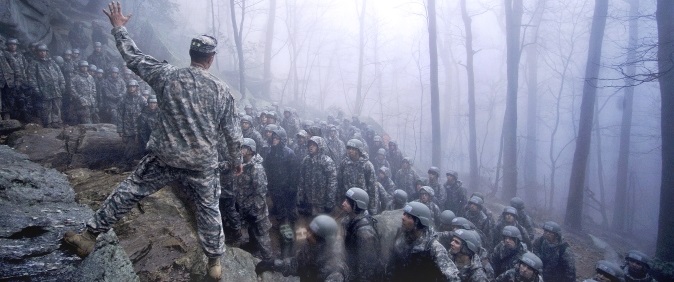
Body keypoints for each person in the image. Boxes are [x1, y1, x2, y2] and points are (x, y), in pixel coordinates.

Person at [62, 3, 243, 280]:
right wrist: (236, 161)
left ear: (192, 54)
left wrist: (119, 28)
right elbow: (232, 134)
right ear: (210, 59)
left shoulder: (167, 75)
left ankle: (88, 237)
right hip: (201, 163)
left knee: (130, 189)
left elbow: (133, 58)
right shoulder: (221, 91)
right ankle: (215, 264)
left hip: (165, 157)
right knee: (209, 209)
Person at [255, 215, 348, 281]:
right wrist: (274, 264)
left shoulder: (335, 268)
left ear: (321, 240)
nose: (307, 235)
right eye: (309, 231)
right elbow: (297, 264)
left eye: (312, 234)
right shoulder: (311, 246)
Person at [386, 202, 460, 281]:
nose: (403, 218)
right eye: (404, 214)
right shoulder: (400, 239)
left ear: (419, 223)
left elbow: (453, 277)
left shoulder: (434, 247)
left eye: (409, 216)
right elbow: (391, 268)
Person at [231, 138, 273, 261]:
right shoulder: (243, 165)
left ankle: (268, 258)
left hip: (256, 209)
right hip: (245, 206)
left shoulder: (256, 169)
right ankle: (253, 247)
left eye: (243, 148)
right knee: (250, 229)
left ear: (250, 150)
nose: (241, 150)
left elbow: (260, 192)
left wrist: (256, 211)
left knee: (261, 233)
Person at [340, 187, 382, 281]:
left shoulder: (364, 233)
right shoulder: (349, 220)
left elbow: (367, 268)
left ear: (356, 205)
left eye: (347, 201)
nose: (343, 203)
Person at [297, 136, 338, 216]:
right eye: (309, 145)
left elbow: (332, 182)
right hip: (308, 200)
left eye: (314, 145)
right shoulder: (306, 160)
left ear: (320, 146)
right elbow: (301, 179)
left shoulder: (327, 161)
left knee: (321, 224)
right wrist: (300, 196)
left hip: (322, 202)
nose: (311, 147)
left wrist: (330, 201)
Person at [27, 43, 65, 128]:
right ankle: (48, 124)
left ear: (46, 52)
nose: (42, 53)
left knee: (57, 106)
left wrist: (62, 84)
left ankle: (56, 122)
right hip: (44, 90)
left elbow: (60, 74)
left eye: (44, 51)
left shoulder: (52, 62)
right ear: (36, 52)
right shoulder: (34, 63)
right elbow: (31, 78)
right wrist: (36, 90)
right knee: (46, 108)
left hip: (56, 89)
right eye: (40, 51)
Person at [337, 139, 378, 215]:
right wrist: (340, 200)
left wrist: (372, 208)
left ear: (359, 150)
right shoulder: (344, 163)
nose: (350, 151)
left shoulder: (367, 165)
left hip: (361, 203)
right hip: (348, 201)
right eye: (349, 148)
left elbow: (372, 188)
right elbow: (340, 182)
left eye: (353, 149)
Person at [116, 79, 146, 168]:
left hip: (140, 127)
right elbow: (120, 115)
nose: (131, 89)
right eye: (130, 87)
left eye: (133, 87)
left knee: (142, 146)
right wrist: (120, 129)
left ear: (137, 88)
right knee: (129, 147)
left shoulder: (142, 99)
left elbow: (147, 112)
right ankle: (126, 164)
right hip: (128, 127)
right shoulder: (123, 99)